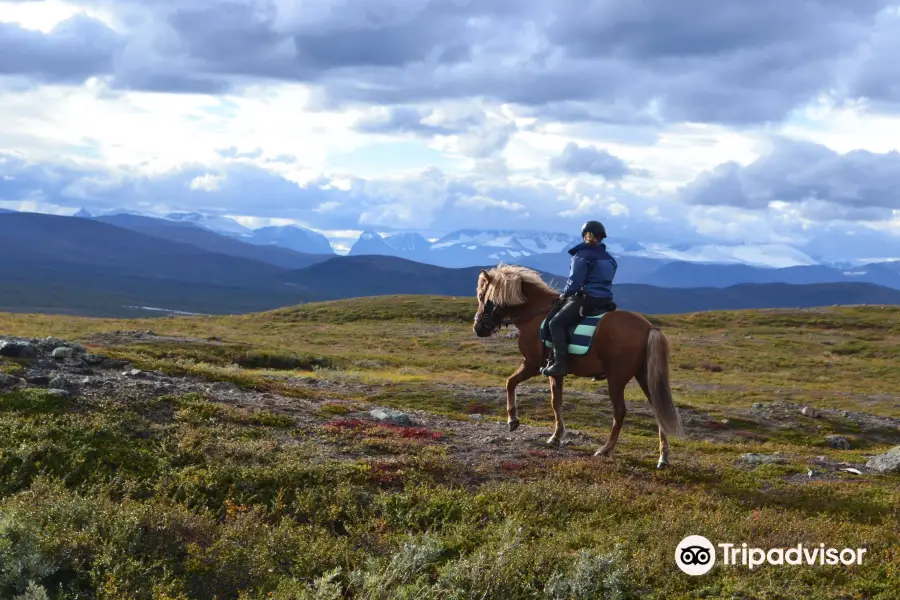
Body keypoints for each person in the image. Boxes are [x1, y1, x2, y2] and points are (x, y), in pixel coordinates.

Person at [541, 220, 617, 377]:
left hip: (587, 299)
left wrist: (565, 294)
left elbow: (575, 282)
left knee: (556, 323)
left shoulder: (581, 255)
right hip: (605, 300)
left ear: (586, 235)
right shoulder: (610, 258)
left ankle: (560, 364)